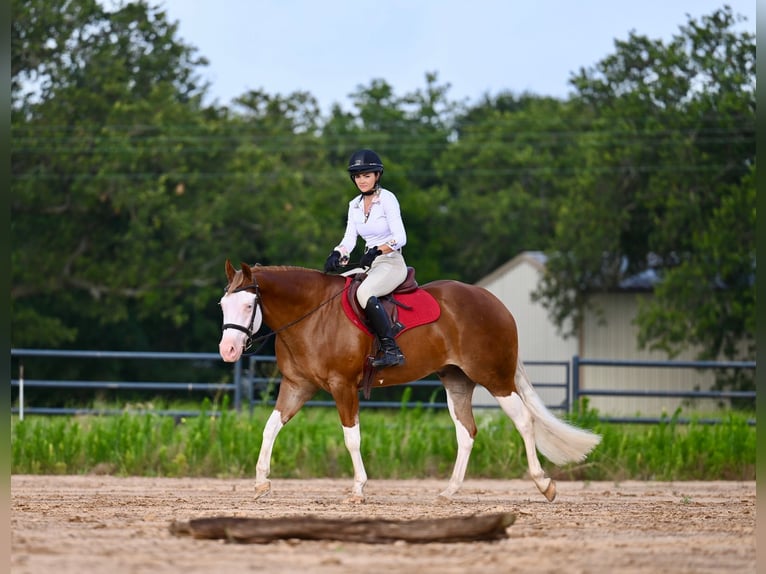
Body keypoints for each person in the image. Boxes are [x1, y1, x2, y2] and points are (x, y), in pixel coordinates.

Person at [324, 149, 407, 368]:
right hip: (371, 264)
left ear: (377, 176)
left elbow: (400, 237)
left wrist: (377, 250)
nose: (362, 180)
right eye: (358, 176)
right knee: (335, 286)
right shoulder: (354, 205)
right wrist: (338, 253)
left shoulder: (388, 199)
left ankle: (391, 350)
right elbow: (349, 239)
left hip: (391, 261)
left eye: (366, 175)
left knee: (364, 292)